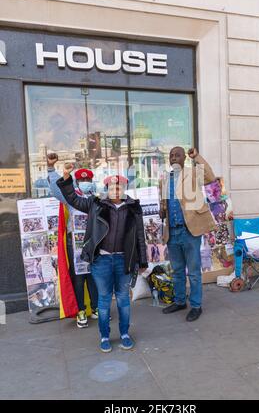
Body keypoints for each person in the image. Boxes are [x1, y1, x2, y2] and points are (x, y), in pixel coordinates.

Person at [56, 166, 148, 353]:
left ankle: (124, 334)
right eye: (113, 186)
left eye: (120, 186)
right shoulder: (95, 203)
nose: (116, 190)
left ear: (125, 188)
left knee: (123, 299)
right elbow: (73, 199)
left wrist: (143, 262)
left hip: (124, 261)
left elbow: (140, 235)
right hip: (102, 261)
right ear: (107, 188)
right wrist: (66, 178)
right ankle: (104, 336)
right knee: (104, 300)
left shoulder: (133, 208)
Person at [159, 147, 216, 322]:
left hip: (190, 230)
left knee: (193, 272)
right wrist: (163, 210)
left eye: (177, 155)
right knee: (177, 271)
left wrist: (196, 157)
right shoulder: (164, 180)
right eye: (171, 156)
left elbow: (210, 177)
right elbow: (164, 203)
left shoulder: (191, 173)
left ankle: (196, 306)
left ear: (184, 158)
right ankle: (179, 301)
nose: (174, 158)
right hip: (172, 231)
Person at [47, 153, 98, 329]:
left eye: (88, 179)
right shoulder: (71, 197)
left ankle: (96, 306)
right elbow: (56, 189)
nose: (85, 182)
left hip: (93, 241)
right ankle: (81, 311)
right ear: (76, 181)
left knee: (94, 275)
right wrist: (51, 169)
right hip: (74, 243)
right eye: (82, 180)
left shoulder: (96, 197)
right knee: (78, 277)